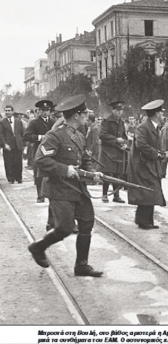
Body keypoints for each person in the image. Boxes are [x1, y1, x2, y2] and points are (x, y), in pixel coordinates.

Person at [28, 94, 103, 277]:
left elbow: (85, 159)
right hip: (59, 189)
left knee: (87, 222)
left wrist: (92, 172)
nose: (87, 115)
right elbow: (41, 159)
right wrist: (64, 169)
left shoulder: (78, 135)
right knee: (65, 228)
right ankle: (38, 247)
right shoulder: (54, 136)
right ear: (76, 115)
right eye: (84, 112)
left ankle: (81, 265)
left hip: (77, 188)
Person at [128, 100, 168, 229]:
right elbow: (142, 145)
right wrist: (157, 154)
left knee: (150, 192)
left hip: (149, 165)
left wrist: (161, 153)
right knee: (147, 192)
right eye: (161, 113)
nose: (163, 116)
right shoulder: (143, 127)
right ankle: (143, 221)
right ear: (156, 114)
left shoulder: (152, 127)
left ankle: (146, 220)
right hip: (143, 165)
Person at [23, 100, 56, 202]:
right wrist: (39, 137)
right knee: (39, 173)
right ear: (39, 111)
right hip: (38, 150)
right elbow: (26, 136)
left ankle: (52, 194)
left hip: (52, 151)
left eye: (47, 110)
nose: (45, 112)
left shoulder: (53, 122)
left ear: (50, 111)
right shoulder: (34, 122)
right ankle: (40, 195)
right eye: (43, 110)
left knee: (52, 172)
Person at [97, 101, 128, 203]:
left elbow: (124, 136)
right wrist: (115, 140)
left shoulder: (122, 122)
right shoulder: (107, 121)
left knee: (117, 173)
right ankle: (104, 195)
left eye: (121, 110)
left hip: (118, 151)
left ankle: (116, 195)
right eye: (117, 110)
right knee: (107, 174)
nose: (119, 112)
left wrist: (124, 144)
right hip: (108, 152)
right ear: (113, 110)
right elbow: (102, 135)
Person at [0, 105, 25, 183]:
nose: (7, 112)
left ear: (12, 111)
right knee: (8, 162)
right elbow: (1, 134)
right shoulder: (2, 122)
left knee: (18, 162)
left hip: (18, 144)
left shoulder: (18, 122)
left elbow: (22, 133)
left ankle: (19, 178)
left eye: (9, 110)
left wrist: (23, 144)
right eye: (6, 111)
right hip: (8, 145)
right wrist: (5, 144)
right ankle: (11, 178)